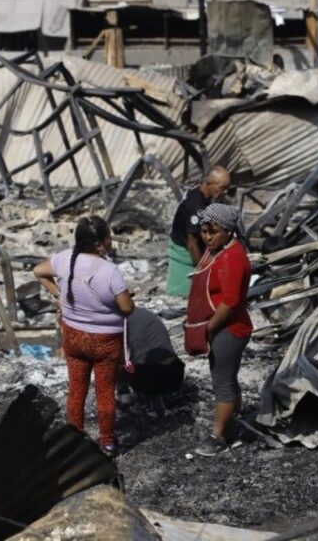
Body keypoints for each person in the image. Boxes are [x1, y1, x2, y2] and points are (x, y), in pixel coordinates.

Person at [32, 216, 134, 455]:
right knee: (105, 391)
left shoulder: (64, 258)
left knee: (77, 388)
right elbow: (127, 308)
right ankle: (107, 441)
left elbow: (38, 271)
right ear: (99, 244)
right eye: (108, 236)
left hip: (74, 335)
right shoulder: (109, 271)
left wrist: (60, 295)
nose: (111, 241)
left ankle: (74, 437)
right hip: (104, 341)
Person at [184, 203, 252, 457]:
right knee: (229, 379)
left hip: (229, 329)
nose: (208, 237)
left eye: (214, 232)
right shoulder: (221, 252)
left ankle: (219, 437)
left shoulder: (232, 258)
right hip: (227, 328)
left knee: (222, 383)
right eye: (204, 231)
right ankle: (233, 426)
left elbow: (231, 302)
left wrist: (208, 330)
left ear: (229, 231)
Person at [166, 166, 231, 297]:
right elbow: (192, 243)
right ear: (209, 184)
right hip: (184, 251)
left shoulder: (200, 192)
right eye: (221, 188)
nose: (225, 192)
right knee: (186, 295)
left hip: (192, 245)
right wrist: (202, 272)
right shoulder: (196, 206)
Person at [122, 307, 184, 395]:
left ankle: (125, 397)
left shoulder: (118, 321)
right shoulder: (143, 313)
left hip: (153, 379)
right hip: (176, 373)